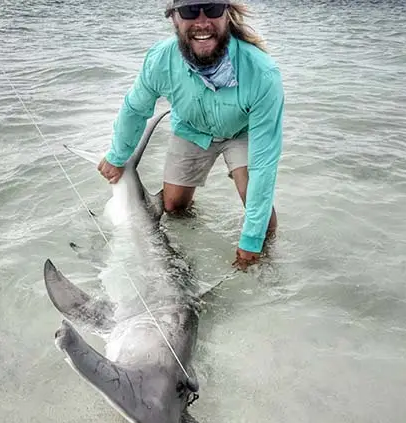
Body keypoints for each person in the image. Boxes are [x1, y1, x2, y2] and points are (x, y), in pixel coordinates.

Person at [98, 0, 284, 271]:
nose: (202, 21)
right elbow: (135, 110)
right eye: (189, 11)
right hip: (191, 129)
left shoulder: (262, 73)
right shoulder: (160, 59)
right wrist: (117, 156)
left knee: (261, 219)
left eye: (212, 9)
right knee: (173, 207)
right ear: (174, 18)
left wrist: (251, 240)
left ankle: (268, 266)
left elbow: (264, 162)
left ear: (227, 15)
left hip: (242, 132)